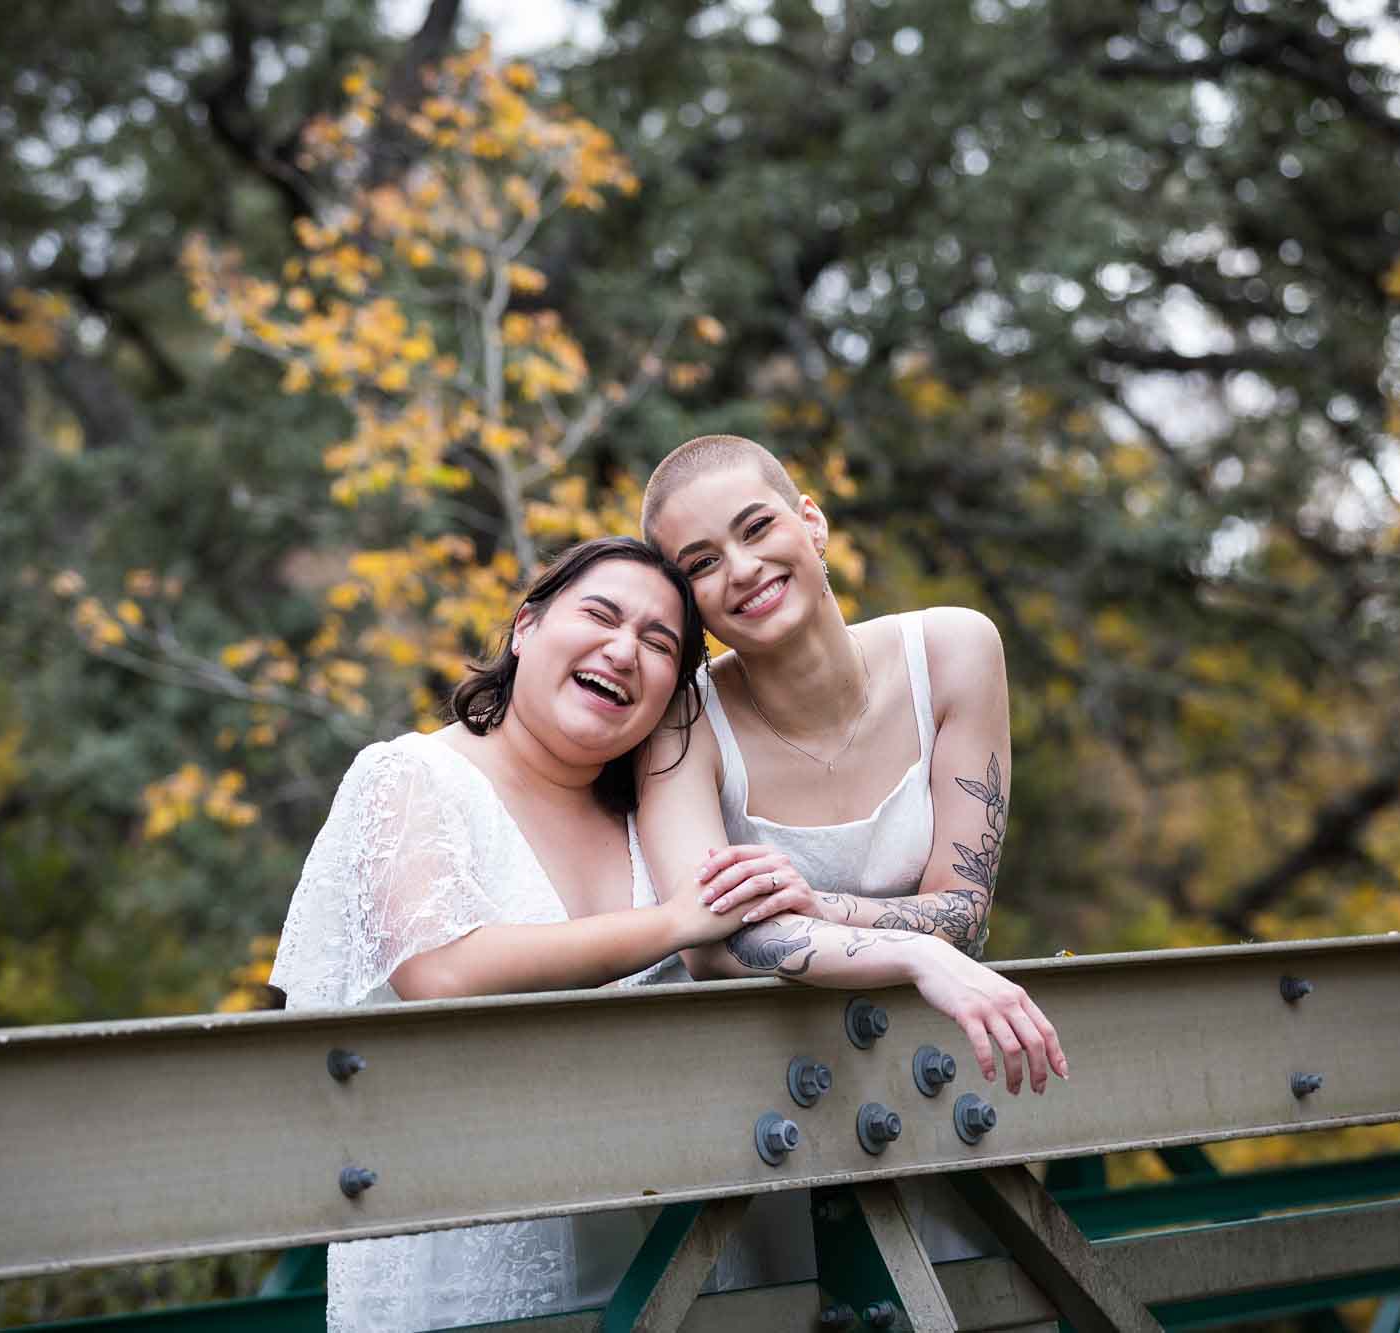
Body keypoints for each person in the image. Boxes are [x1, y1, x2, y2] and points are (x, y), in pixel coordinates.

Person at [268, 536, 787, 1332]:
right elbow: (440, 969)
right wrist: (674, 922)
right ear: (525, 627)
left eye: (658, 644)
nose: (624, 650)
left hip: (680, 1258)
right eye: (601, 615)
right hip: (475, 1259)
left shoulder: (654, 819)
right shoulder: (409, 774)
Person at [635, 433, 1068, 1278]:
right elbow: (708, 943)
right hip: (752, 1124)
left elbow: (964, 912)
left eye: (757, 527)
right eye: (701, 563)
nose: (743, 568)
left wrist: (819, 907)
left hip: (927, 1085)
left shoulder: (954, 652)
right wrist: (909, 948)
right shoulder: (683, 723)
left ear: (813, 522)